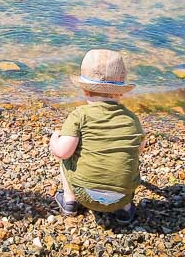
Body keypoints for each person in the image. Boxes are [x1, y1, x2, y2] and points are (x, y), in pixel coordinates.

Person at [49, 49, 143, 225]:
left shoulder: (80, 115)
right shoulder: (131, 118)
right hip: (122, 196)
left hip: (84, 194)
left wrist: (55, 139)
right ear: (120, 92)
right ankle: (125, 211)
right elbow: (138, 149)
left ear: (85, 90)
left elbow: (62, 152)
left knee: (67, 159)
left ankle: (69, 201)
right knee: (128, 159)